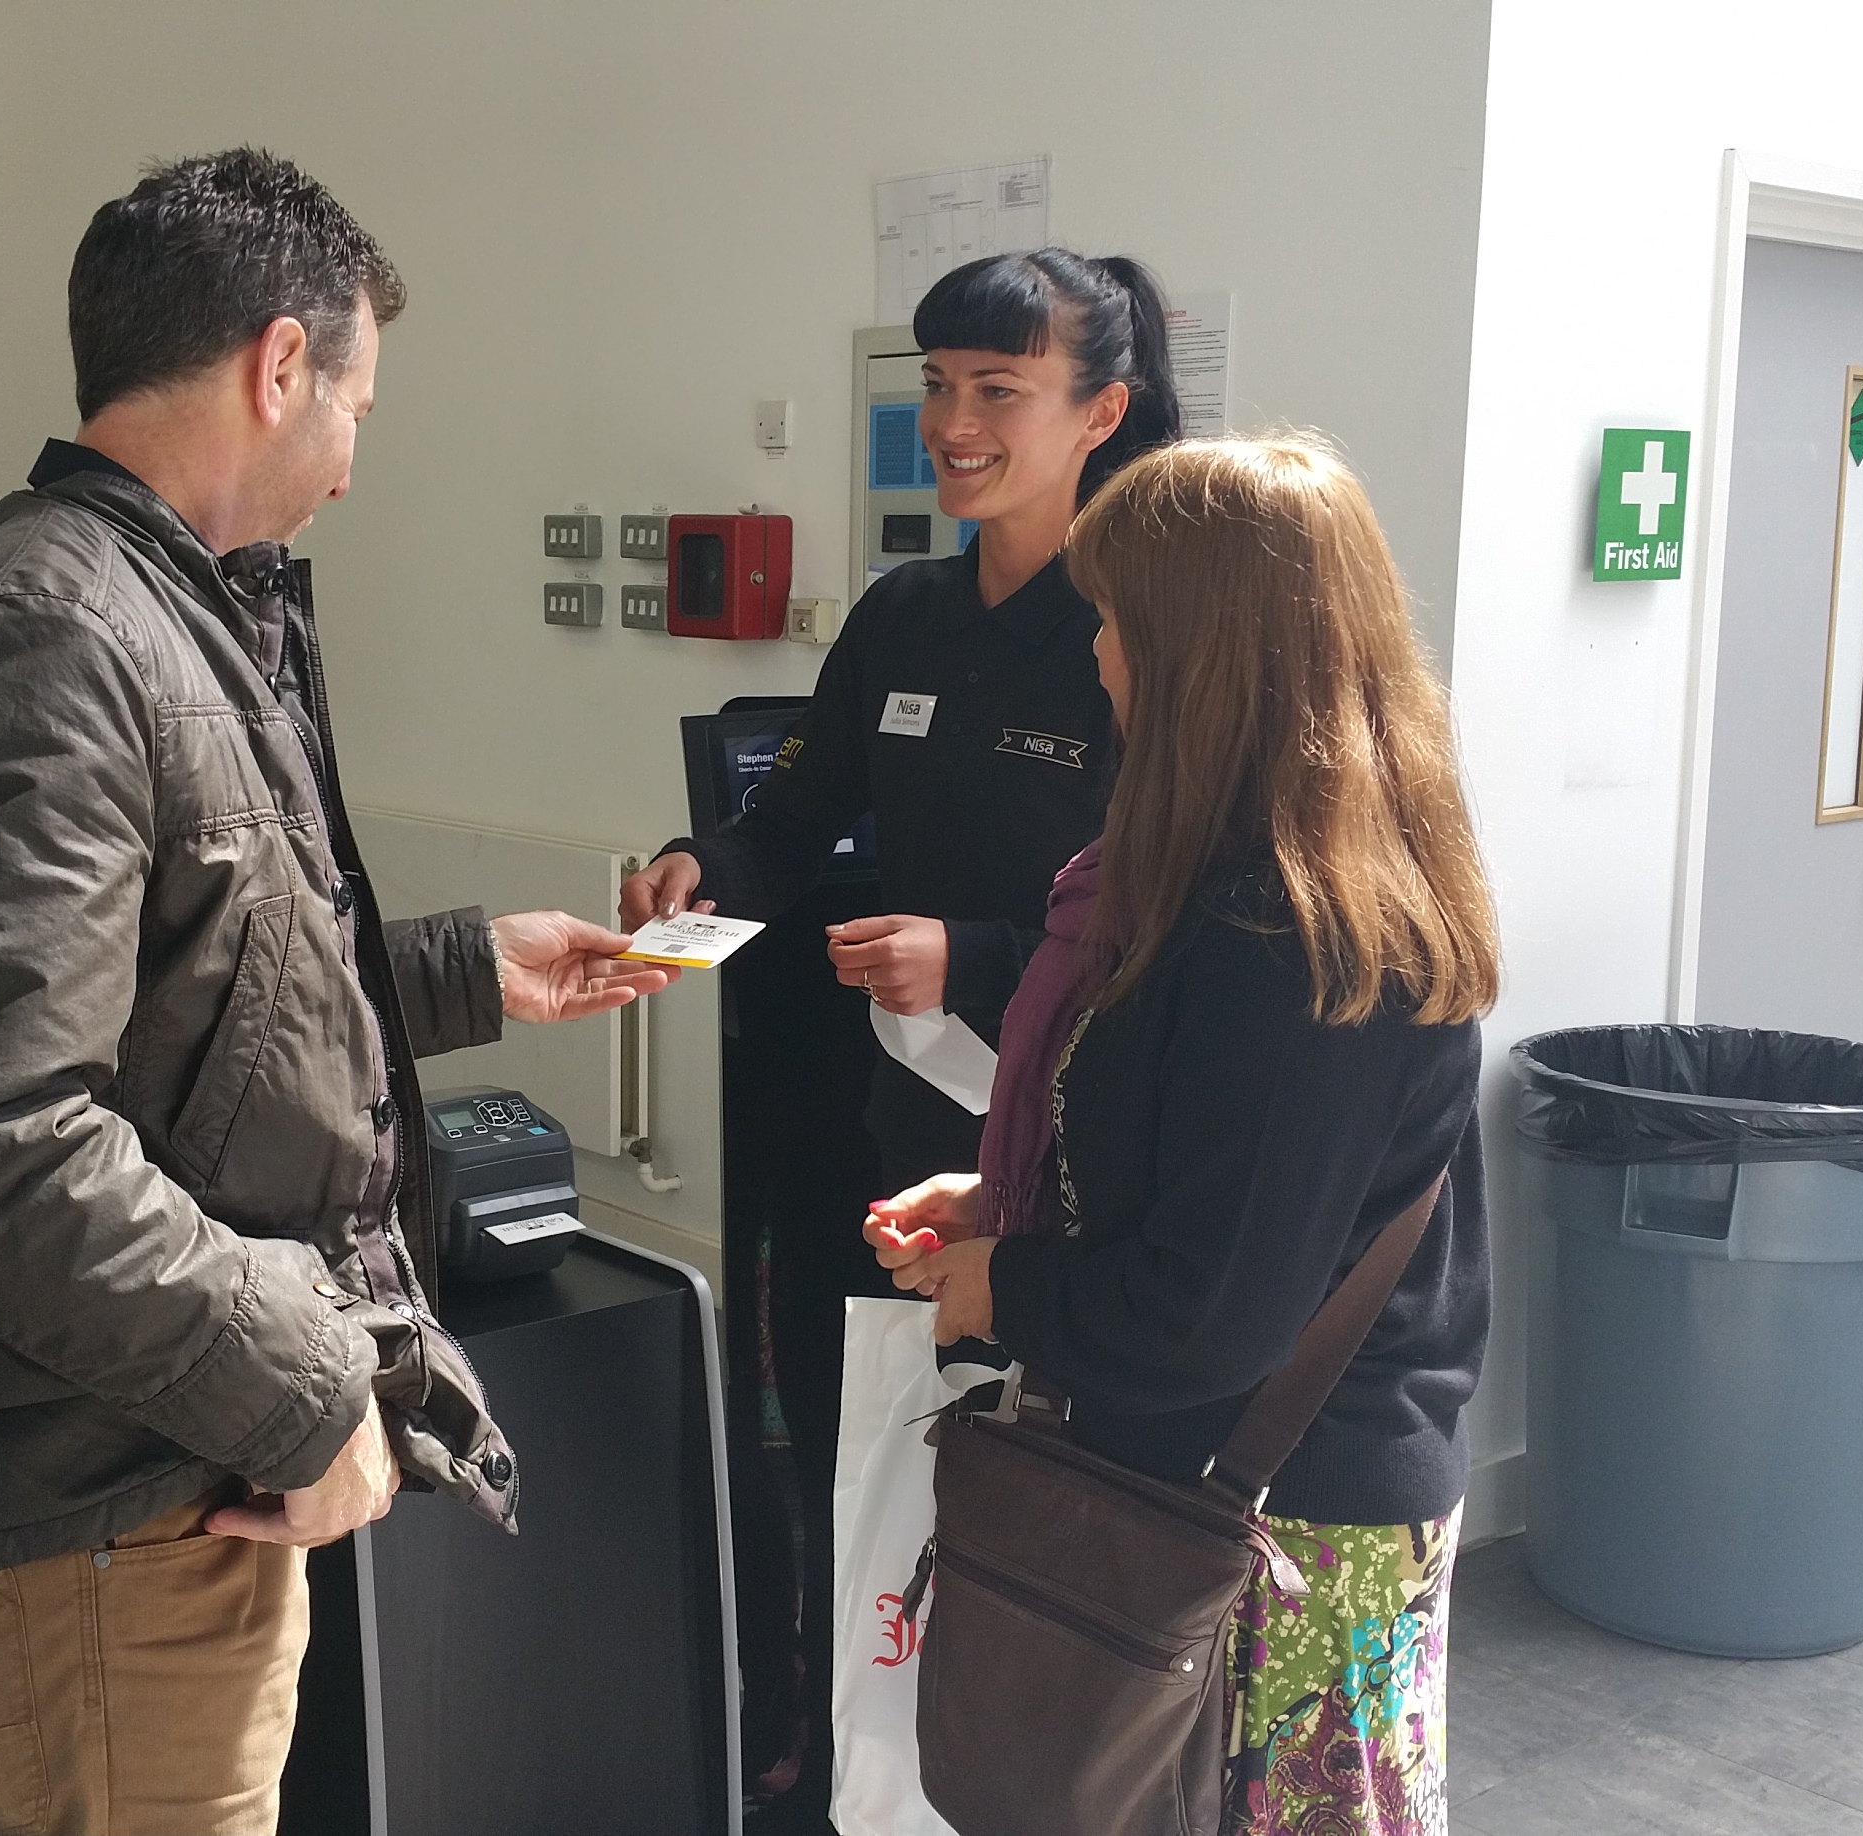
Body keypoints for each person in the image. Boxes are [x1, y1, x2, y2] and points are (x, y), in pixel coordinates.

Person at [0, 149, 672, 1836]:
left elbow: (186, 993)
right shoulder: (49, 644)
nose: (353, 463)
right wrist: (307, 1382)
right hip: (85, 1515)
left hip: (140, 1464)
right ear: (280, 364)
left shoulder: (150, 614)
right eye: (357, 406)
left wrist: (457, 970)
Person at [618, 249, 1181, 1824]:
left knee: (1039, 1509)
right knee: (880, 1479)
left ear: (1102, 412)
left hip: (1077, 1162)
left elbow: (1167, 909)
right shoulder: (906, 616)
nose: (954, 423)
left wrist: (975, 957)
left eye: (999, 389)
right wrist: (700, 869)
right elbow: (793, 818)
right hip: (906, 1148)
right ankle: (858, 1764)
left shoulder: (1144, 629)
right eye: (937, 387)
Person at [869, 435, 1498, 1836]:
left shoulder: (1293, 941)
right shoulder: (1253, 883)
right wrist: (1008, 1202)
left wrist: (1005, 1286)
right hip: (1228, 1492)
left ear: (1201, 655)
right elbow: (1224, 1183)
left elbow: (1210, 1311)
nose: (1095, 654)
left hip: (1281, 1524)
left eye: (1113, 619)